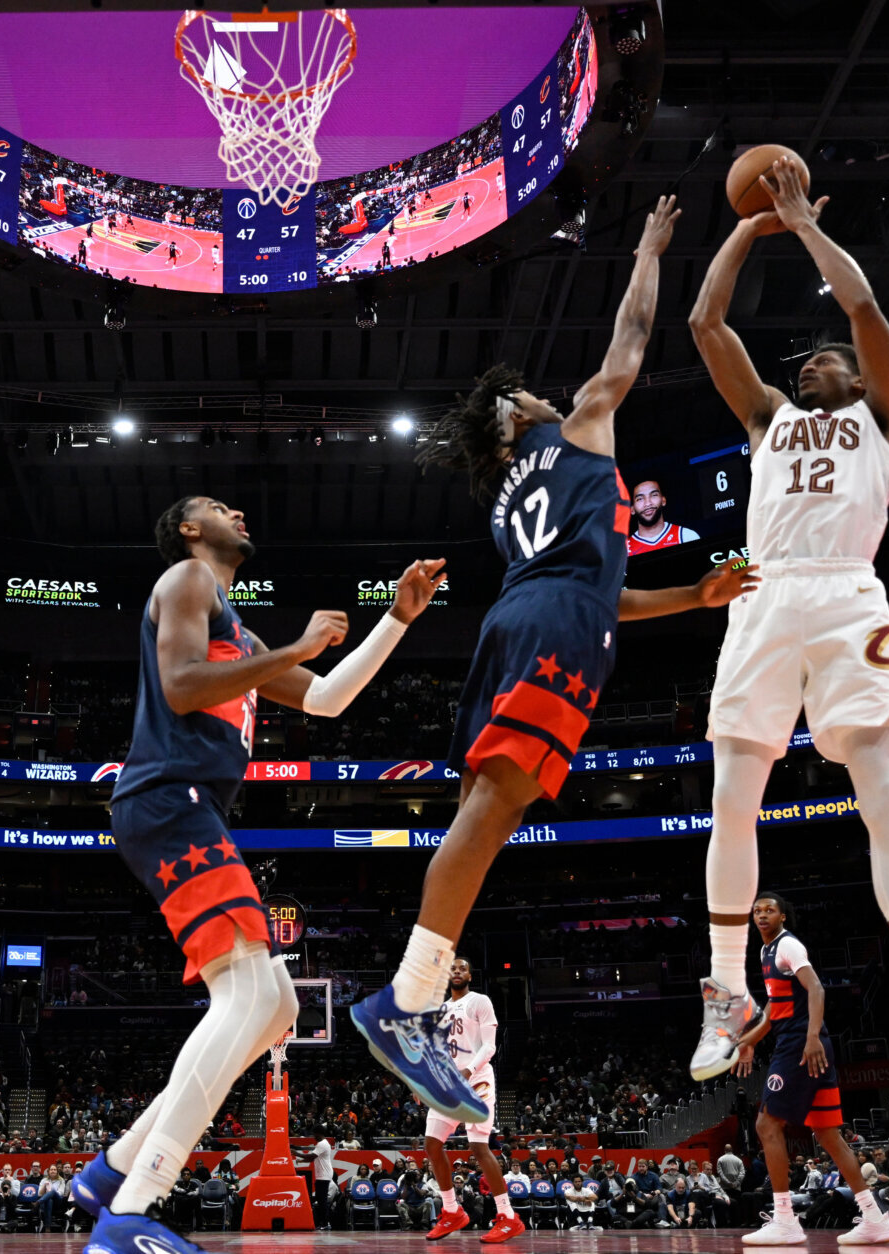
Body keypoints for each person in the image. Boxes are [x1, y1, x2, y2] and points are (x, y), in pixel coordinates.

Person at [352, 197, 754, 1118]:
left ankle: (412, 996)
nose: (542, 392)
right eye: (526, 393)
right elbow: (631, 339)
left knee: (480, 816)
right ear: (512, 419)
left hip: (513, 623)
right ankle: (407, 1000)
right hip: (559, 630)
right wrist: (648, 249)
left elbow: (596, 585)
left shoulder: (505, 503)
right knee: (495, 811)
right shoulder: (578, 429)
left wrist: (691, 596)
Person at [71, 495, 446, 1254]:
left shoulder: (237, 632)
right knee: (244, 994)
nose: (237, 511)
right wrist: (299, 644)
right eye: (217, 506)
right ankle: (133, 1208)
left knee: (277, 1006)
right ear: (188, 529)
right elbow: (181, 686)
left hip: (188, 806)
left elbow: (327, 699)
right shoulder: (186, 579)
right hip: (167, 798)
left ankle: (111, 1172)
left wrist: (396, 620)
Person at [686, 157, 889, 1094]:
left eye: (824, 359)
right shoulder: (768, 418)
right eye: (805, 363)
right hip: (766, 594)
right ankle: (726, 993)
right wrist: (745, 228)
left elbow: (865, 309)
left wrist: (802, 225)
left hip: (848, 596)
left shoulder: (887, 419)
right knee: (733, 796)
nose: (810, 364)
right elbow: (706, 324)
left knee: (885, 794)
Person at [729, 892, 889, 1245]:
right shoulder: (766, 951)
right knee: (827, 1134)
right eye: (757, 911)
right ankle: (874, 1218)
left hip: (800, 1046)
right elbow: (775, 1006)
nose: (762, 915)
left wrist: (812, 1036)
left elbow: (817, 988)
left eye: (769, 910)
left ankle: (785, 1220)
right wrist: (750, 1040)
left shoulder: (789, 946)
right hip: (806, 1043)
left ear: (783, 916)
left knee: (766, 1124)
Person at [421, 959, 522, 1243]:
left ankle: (508, 1216)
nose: (457, 972)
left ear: (470, 975)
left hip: (477, 1081)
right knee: (432, 1144)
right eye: (452, 969)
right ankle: (452, 1211)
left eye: (462, 968)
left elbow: (490, 1046)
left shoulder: (480, 1001)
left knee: (478, 1147)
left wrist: (468, 1070)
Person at [624, 479, 701, 553]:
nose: (648, 503)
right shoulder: (624, 551)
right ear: (632, 509)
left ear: (663, 500)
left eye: (654, 495)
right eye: (640, 499)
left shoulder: (686, 536)